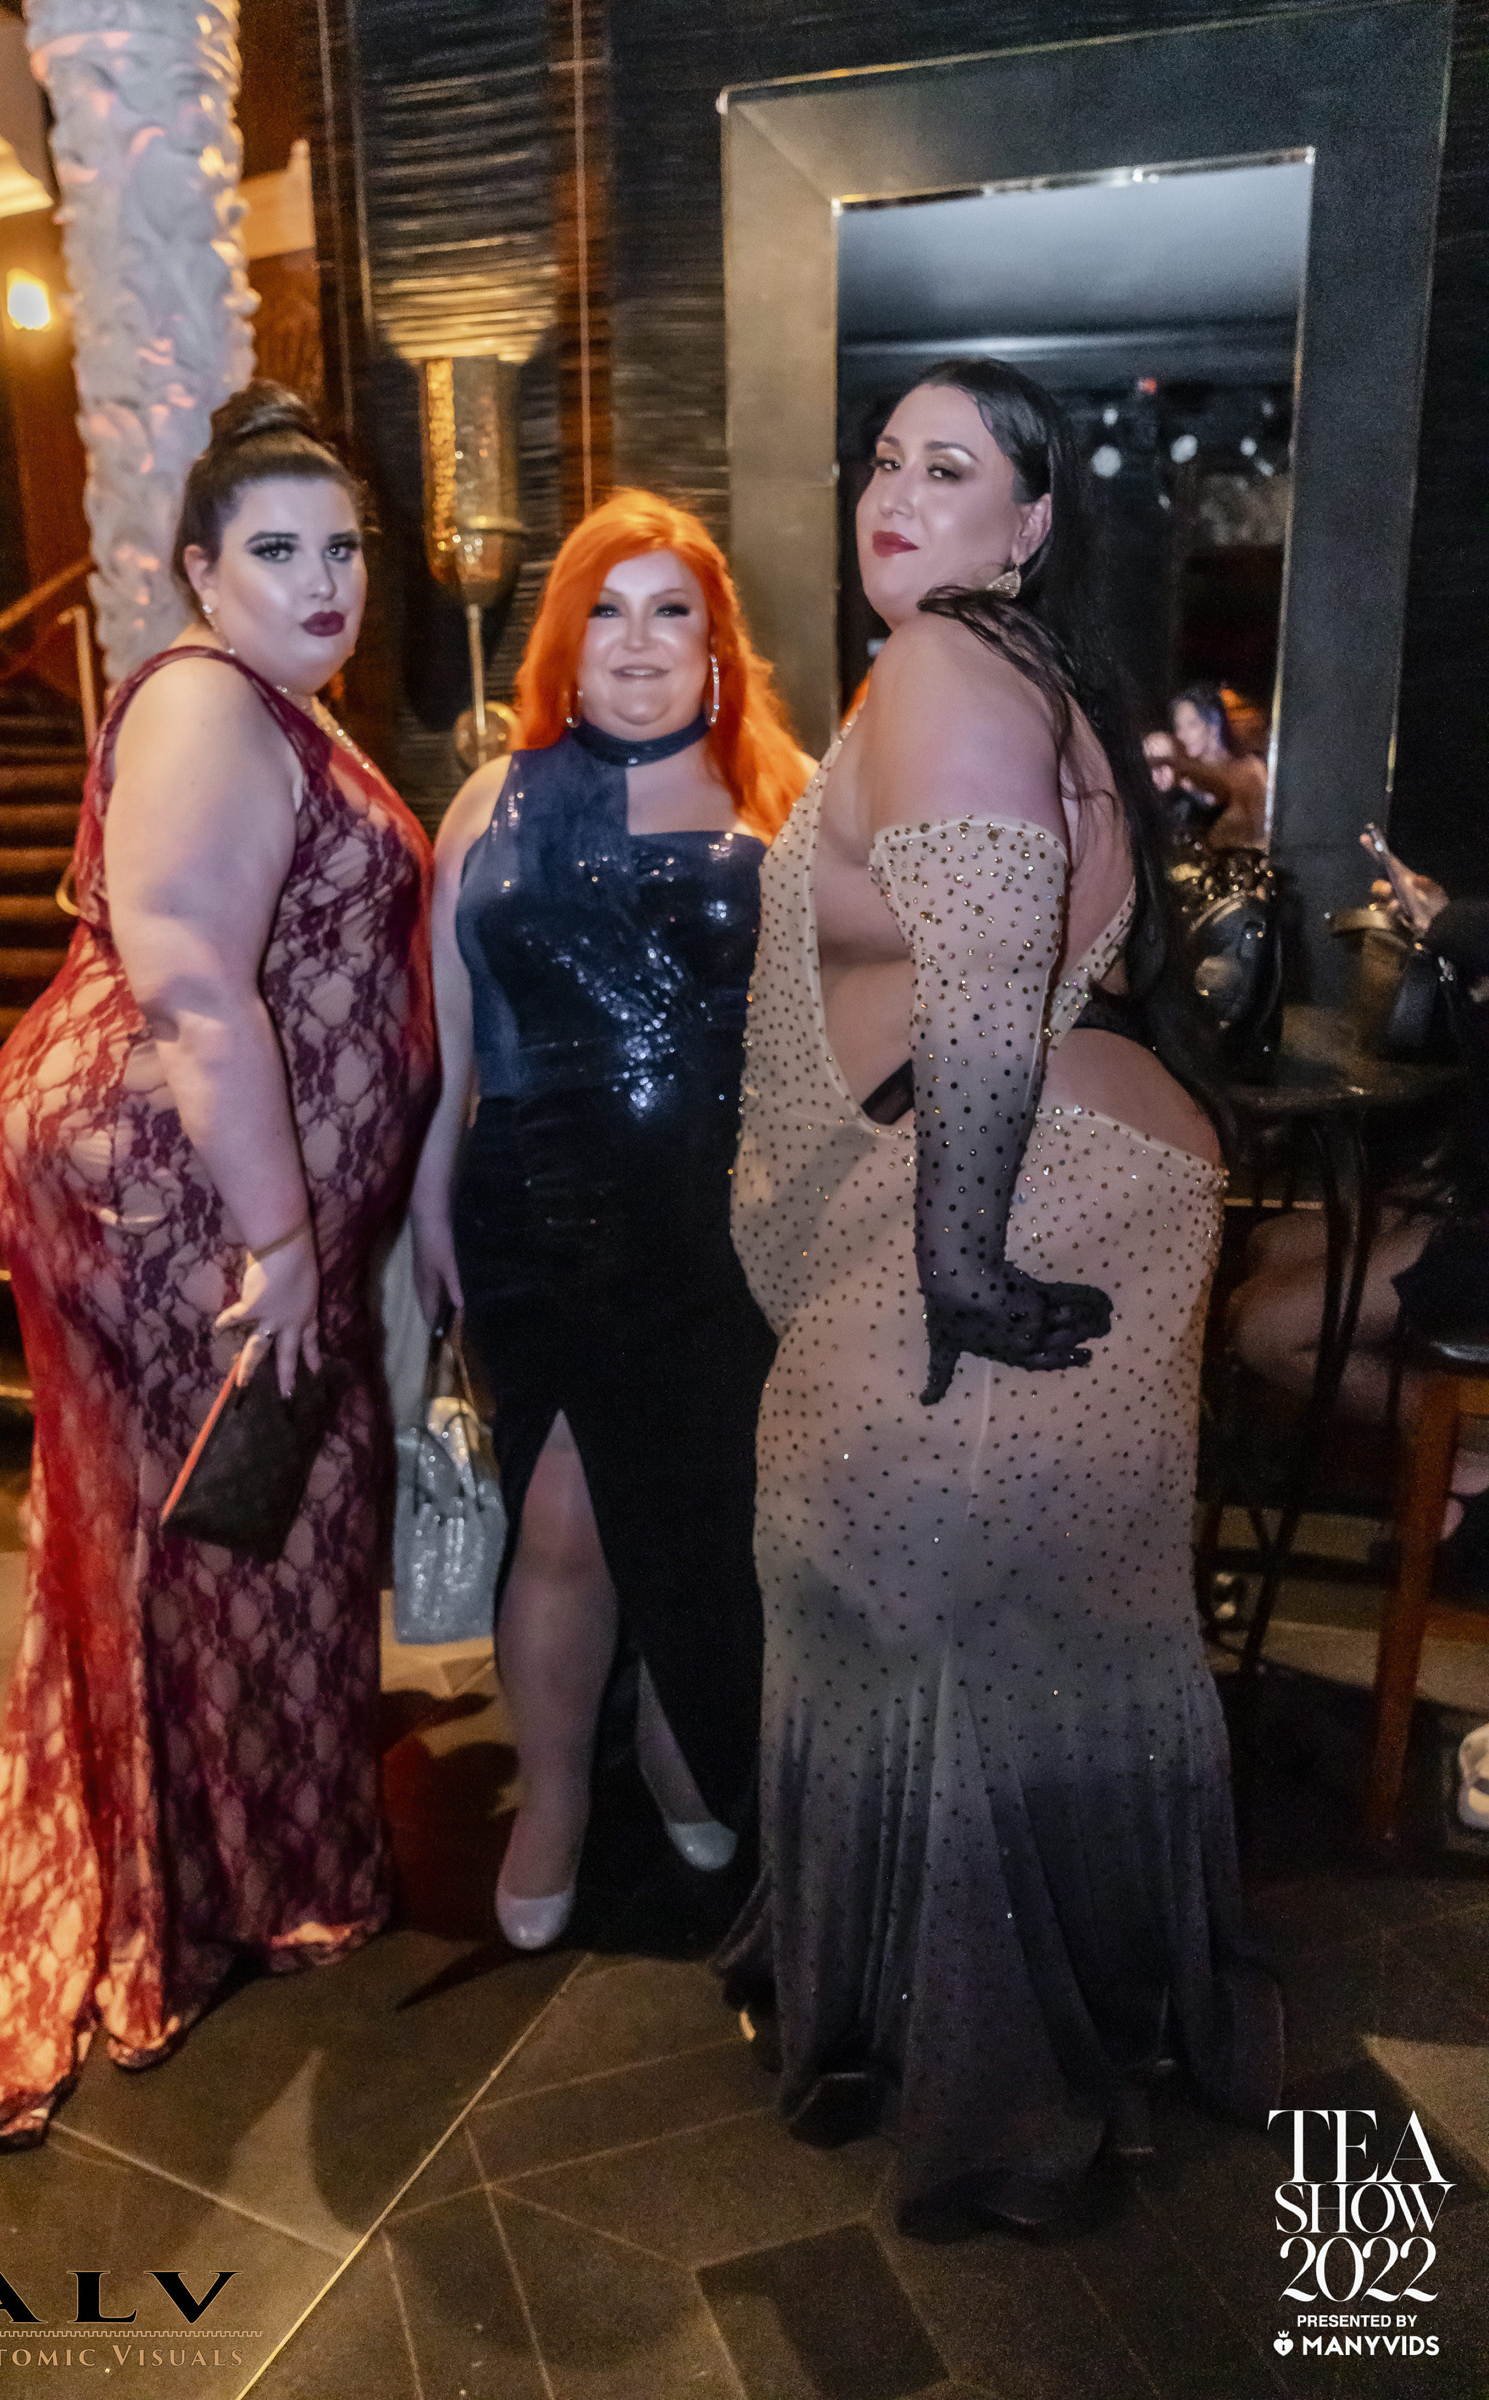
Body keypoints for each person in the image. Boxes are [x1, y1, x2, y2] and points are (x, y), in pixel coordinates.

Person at [718, 358, 1281, 2230]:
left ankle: (977, 2066)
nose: (893, 493)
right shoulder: (1036, 677)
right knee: (1053, 1643)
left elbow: (975, 983)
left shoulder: (948, 664)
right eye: (884, 458)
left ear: (1028, 524)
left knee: (912, 1618)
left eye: (947, 468)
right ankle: (1103, 2006)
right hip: (1091, 1177)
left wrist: (958, 1265)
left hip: (1008, 1206)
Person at [0, 383, 437, 2145]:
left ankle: (230, 1855)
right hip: (169, 1185)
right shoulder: (207, 701)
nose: (325, 580)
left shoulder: (268, 701)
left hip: (193, 1180)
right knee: (240, 1518)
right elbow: (196, 986)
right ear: (200, 569)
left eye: (343, 547)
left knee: (223, 1523)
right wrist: (285, 1239)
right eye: (278, 549)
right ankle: (222, 1880)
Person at [411, 490, 811, 1951]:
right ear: (564, 640)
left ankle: (679, 1741)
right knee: (564, 1515)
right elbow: (450, 1040)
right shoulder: (492, 800)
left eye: (670, 611)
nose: (637, 642)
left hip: (712, 1231)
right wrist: (426, 1210)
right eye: (607, 611)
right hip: (529, 1217)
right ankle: (558, 1798)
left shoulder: (780, 799)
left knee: (701, 1511)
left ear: (715, 640)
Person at [1228, 840, 1489, 1591]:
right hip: (1468, 1204)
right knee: (1271, 1246)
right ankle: (1447, 1454)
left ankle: (1468, 1442)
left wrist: (1445, 922)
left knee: (1265, 1330)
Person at [1145, 680, 1269, 850]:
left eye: (1192, 725)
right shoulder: (1180, 776)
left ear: (1214, 724)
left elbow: (1265, 829)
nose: (1182, 735)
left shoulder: (1250, 770)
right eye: (1178, 727)